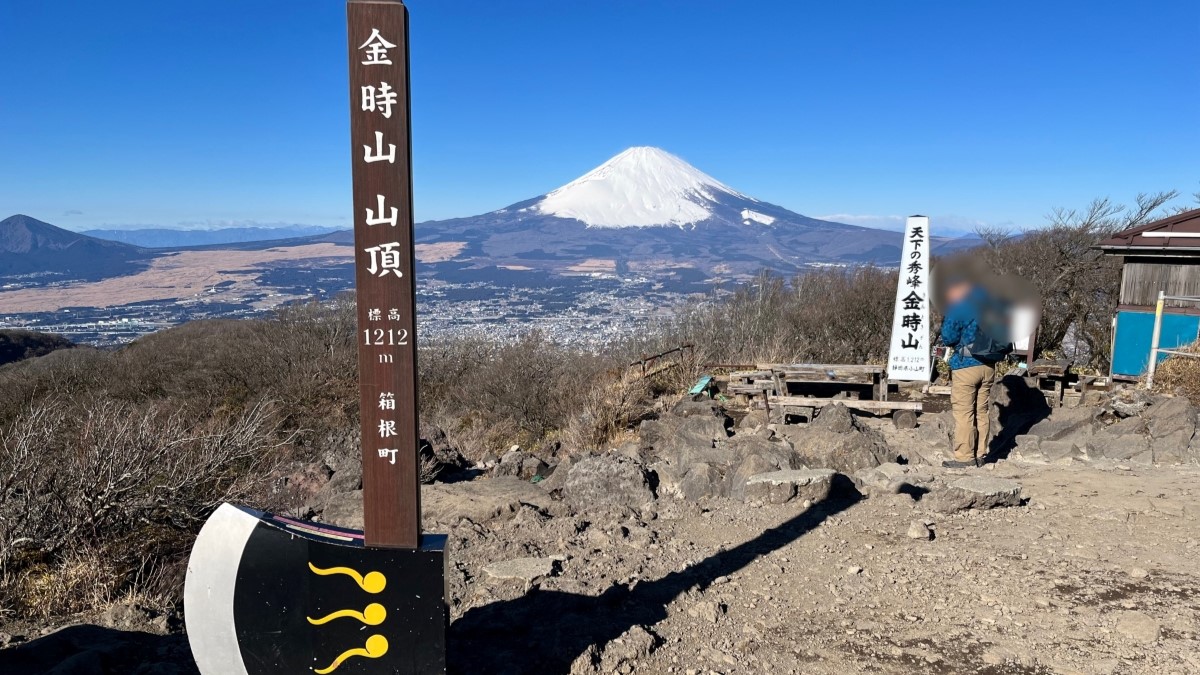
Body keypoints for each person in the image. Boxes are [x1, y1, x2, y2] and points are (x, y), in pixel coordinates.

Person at [939, 279, 997, 468]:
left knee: (964, 413)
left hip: (966, 364)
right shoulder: (993, 303)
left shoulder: (961, 306)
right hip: (989, 365)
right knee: (981, 411)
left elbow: (948, 337)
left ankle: (965, 457)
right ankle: (981, 453)